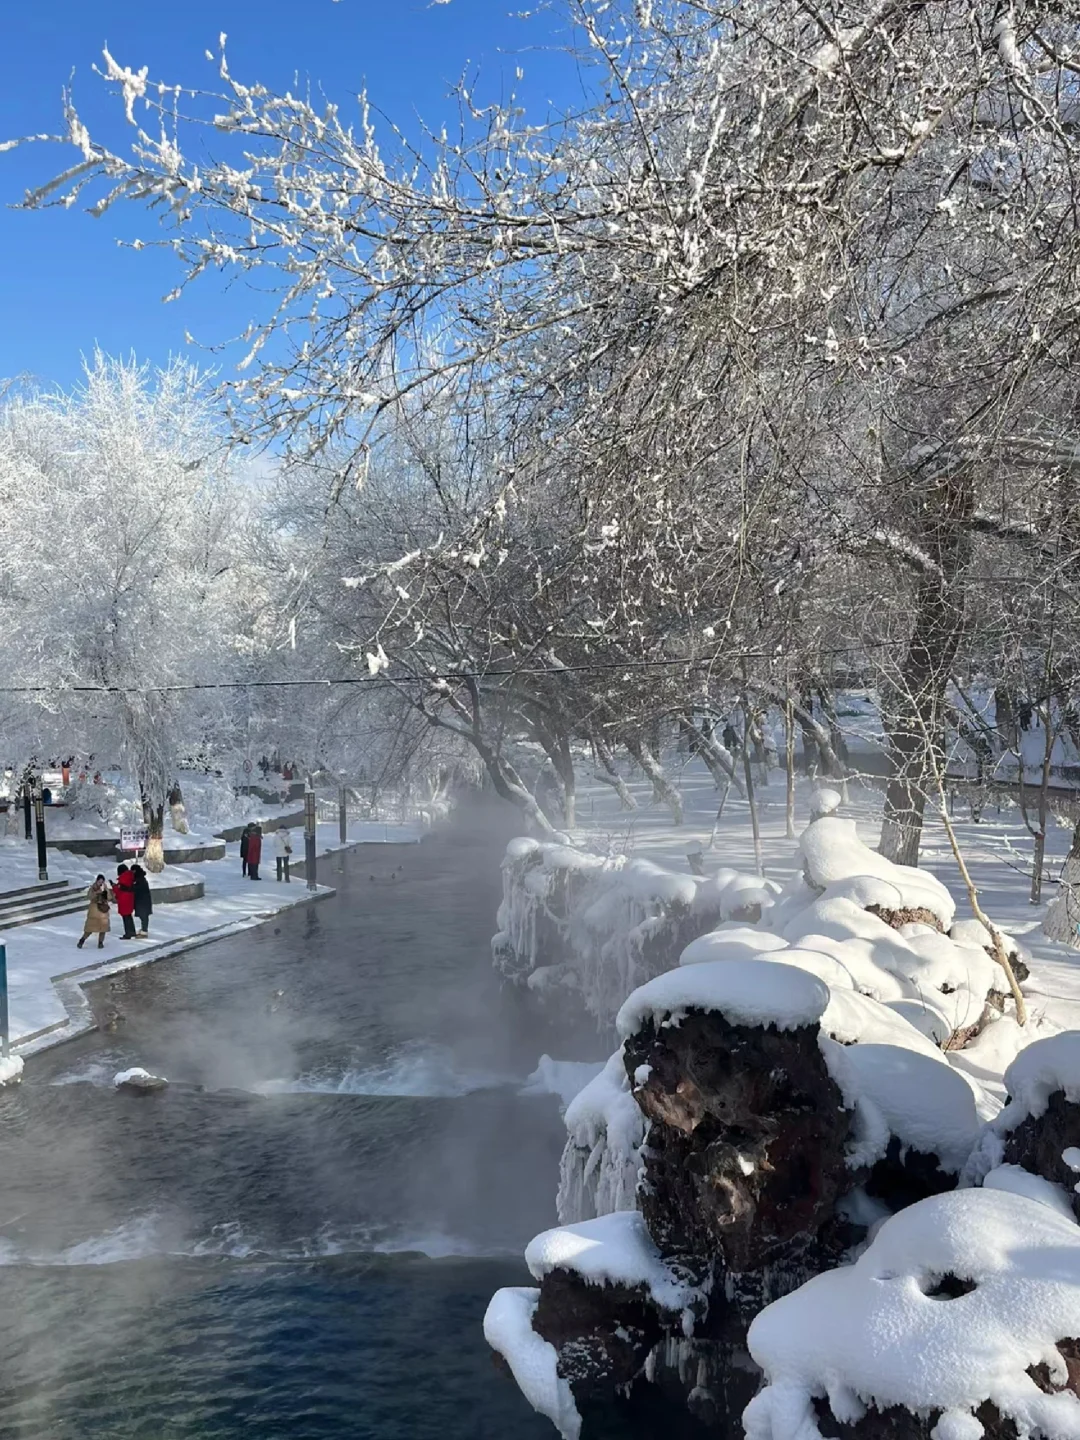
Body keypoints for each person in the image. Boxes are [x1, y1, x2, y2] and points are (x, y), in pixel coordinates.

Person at [77, 875, 110, 949]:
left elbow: (110, 897)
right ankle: (82, 940)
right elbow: (89, 896)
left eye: (102, 882)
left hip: (103, 911)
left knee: (103, 928)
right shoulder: (93, 888)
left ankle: (100, 942)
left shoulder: (105, 888)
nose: (100, 883)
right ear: (97, 881)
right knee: (90, 928)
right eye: (99, 881)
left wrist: (106, 890)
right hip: (94, 910)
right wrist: (97, 893)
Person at [112, 863, 137, 939]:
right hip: (130, 899)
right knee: (129, 916)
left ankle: (128, 933)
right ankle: (132, 931)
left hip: (124, 900)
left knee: (125, 918)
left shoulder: (123, 879)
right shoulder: (130, 877)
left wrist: (114, 886)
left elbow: (119, 891)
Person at [131, 863, 153, 938]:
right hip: (143, 901)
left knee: (143, 916)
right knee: (143, 916)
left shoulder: (139, 880)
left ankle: (144, 931)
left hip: (142, 902)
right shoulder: (141, 878)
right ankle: (144, 930)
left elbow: (137, 889)